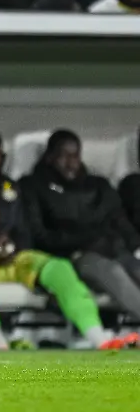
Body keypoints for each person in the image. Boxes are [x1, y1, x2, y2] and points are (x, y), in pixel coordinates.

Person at [0, 127, 130, 350]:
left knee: (60, 268)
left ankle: (99, 339)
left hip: (9, 258)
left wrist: (11, 244)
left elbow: (24, 232)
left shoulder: (7, 187)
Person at [20, 129, 140, 325]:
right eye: (63, 156)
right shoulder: (32, 186)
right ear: (50, 157)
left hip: (113, 249)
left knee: (135, 267)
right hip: (74, 256)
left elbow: (120, 220)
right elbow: (39, 235)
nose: (70, 163)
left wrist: (136, 247)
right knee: (113, 272)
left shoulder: (98, 185)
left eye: (75, 156)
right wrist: (86, 240)